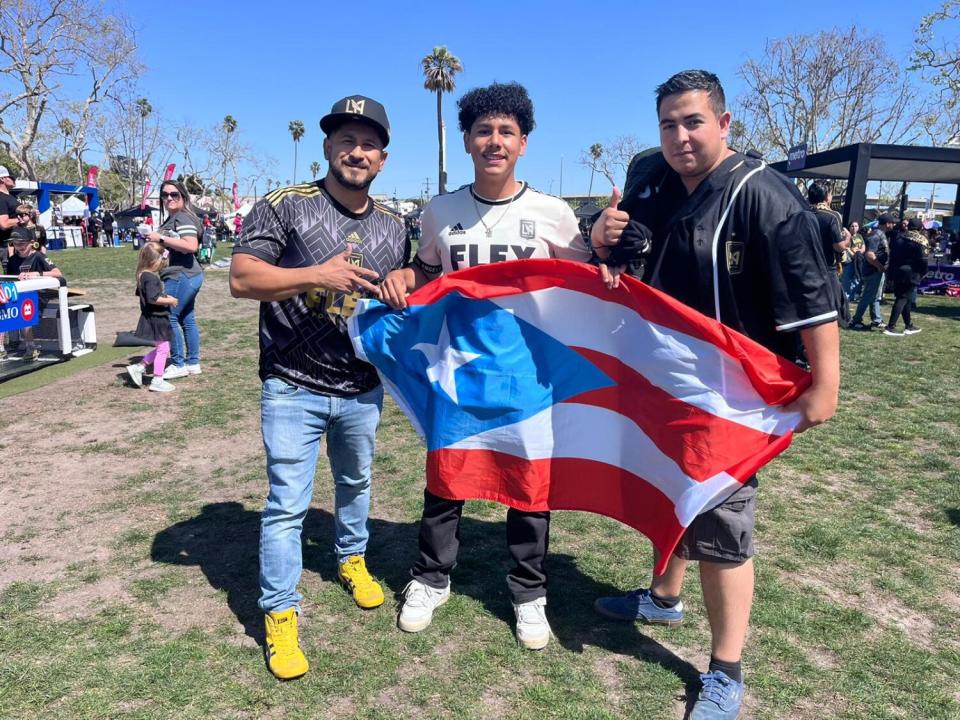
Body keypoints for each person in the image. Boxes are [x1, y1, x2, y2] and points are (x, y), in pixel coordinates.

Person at [590, 70, 839, 719]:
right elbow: (621, 246)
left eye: (693, 121)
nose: (680, 136)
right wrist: (600, 235)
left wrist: (824, 388)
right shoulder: (652, 179)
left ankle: (726, 669)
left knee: (723, 530)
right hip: (666, 378)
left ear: (725, 124)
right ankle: (663, 601)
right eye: (669, 123)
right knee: (670, 494)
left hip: (734, 395)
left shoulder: (766, 197)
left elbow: (815, 303)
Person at [380, 82, 592, 651]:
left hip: (527, 377)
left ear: (523, 143)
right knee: (446, 482)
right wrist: (408, 277)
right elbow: (425, 273)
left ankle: (529, 593)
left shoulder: (553, 213)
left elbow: (591, 281)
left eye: (506, 132)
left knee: (530, 488)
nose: (494, 141)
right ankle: (430, 578)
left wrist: (617, 248)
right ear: (468, 141)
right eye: (483, 131)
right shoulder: (440, 211)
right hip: (458, 371)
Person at [230, 94, 408, 681]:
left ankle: (351, 559)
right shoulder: (284, 206)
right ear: (327, 148)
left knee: (356, 482)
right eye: (346, 141)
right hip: (291, 384)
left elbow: (407, 285)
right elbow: (241, 278)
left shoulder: (394, 224)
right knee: (287, 504)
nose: (357, 152)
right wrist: (317, 274)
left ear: (382, 157)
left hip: (360, 387)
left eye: (369, 144)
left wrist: (409, 276)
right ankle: (280, 615)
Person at [147, 180, 204, 378]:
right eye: (165, 195)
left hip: (182, 275)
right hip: (187, 274)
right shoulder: (176, 217)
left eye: (174, 194)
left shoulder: (182, 217)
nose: (169, 198)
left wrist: (160, 238)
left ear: (183, 196)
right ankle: (192, 363)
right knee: (187, 318)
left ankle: (179, 363)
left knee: (169, 316)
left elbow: (191, 246)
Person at [124, 242, 180, 391]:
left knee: (162, 347)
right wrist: (170, 300)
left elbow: (146, 294)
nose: (161, 265)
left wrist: (164, 295)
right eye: (161, 262)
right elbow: (153, 299)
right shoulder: (151, 277)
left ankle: (139, 367)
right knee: (163, 349)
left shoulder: (142, 276)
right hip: (157, 318)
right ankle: (157, 380)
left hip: (151, 317)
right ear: (152, 261)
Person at [8, 227, 65, 361]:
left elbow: (58, 273)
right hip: (19, 293)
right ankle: (3, 347)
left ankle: (30, 347)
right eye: (15, 243)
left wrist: (37, 274)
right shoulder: (12, 260)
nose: (19, 246)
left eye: (22, 243)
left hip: (39, 294)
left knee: (24, 309)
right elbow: (10, 279)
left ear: (31, 242)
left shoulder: (39, 256)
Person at [850, 214, 896, 330]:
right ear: (887, 223)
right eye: (892, 222)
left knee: (875, 296)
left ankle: (876, 320)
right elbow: (869, 255)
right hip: (872, 271)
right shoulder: (876, 235)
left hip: (876, 271)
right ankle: (856, 320)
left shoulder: (882, 234)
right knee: (867, 296)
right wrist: (880, 266)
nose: (894, 224)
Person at [884, 218, 928, 336]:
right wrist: (923, 273)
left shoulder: (899, 238)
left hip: (897, 271)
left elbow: (892, 256)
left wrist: (891, 273)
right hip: (911, 273)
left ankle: (908, 325)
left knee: (905, 299)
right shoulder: (920, 241)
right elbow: (923, 260)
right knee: (902, 298)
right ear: (920, 228)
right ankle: (890, 327)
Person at [0, 166, 19, 274]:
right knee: (12, 277)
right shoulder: (1, 197)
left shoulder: (10, 197)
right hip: (6, 246)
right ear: (2, 179)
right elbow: (4, 224)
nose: (14, 179)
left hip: (17, 243)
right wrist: (23, 219)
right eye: (11, 177)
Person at [840, 221, 864, 300]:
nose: (854, 228)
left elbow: (863, 247)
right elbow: (846, 248)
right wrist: (854, 253)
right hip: (849, 260)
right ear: (849, 227)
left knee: (856, 279)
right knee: (847, 279)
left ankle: (853, 295)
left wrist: (858, 252)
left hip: (857, 261)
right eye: (852, 226)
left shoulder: (859, 236)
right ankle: (845, 296)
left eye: (856, 226)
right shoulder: (847, 237)